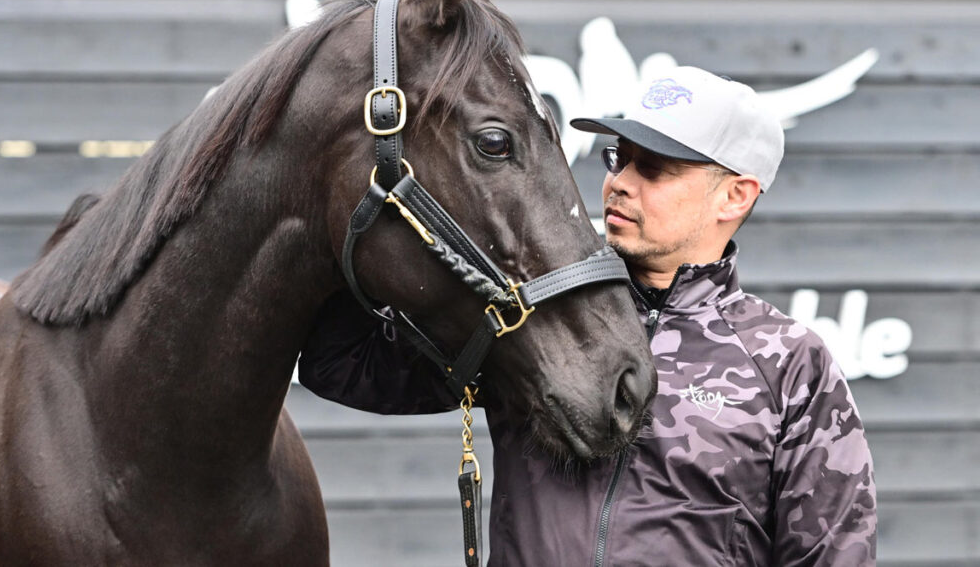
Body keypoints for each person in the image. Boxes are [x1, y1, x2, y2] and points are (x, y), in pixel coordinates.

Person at [299, 66, 877, 565]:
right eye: (617, 159)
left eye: (653, 169)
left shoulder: (790, 364)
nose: (618, 184)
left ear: (735, 196)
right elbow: (340, 365)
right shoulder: (532, 313)